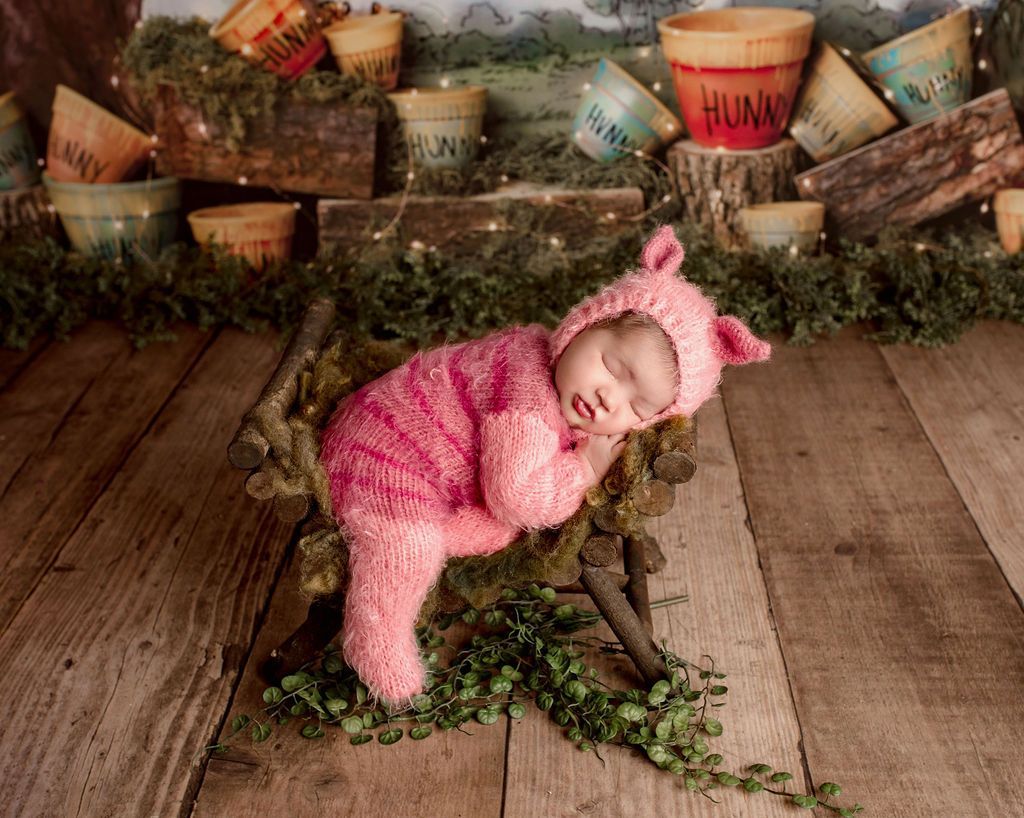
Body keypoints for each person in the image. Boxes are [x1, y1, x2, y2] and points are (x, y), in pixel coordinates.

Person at [320, 224, 771, 707]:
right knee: (407, 544)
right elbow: (519, 495)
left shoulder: (552, 370)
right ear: (582, 325)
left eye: (637, 408)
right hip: (384, 453)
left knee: (495, 529)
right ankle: (376, 634)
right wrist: (583, 470)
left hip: (425, 461)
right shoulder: (529, 398)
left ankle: (444, 531)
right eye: (612, 368)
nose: (608, 397)